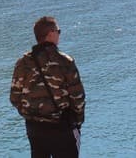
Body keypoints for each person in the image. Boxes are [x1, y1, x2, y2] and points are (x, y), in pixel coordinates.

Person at [10, 16, 86, 158]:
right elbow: (78, 98)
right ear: (50, 34)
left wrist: (30, 115)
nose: (59, 34)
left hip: (34, 128)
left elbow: (14, 98)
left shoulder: (22, 63)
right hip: (62, 128)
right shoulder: (65, 62)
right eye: (58, 31)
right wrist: (77, 122)